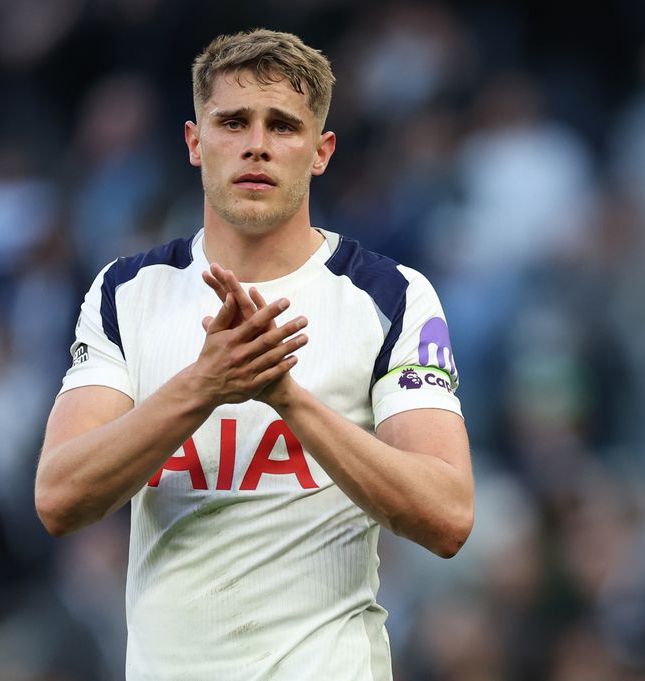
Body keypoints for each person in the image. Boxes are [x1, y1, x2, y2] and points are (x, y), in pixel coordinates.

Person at [35, 28, 474, 681]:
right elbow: (59, 496)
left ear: (320, 151)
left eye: (283, 126)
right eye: (233, 121)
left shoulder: (390, 294)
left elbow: (447, 515)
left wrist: (288, 400)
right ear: (194, 141)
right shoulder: (127, 291)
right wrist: (203, 386)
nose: (257, 145)